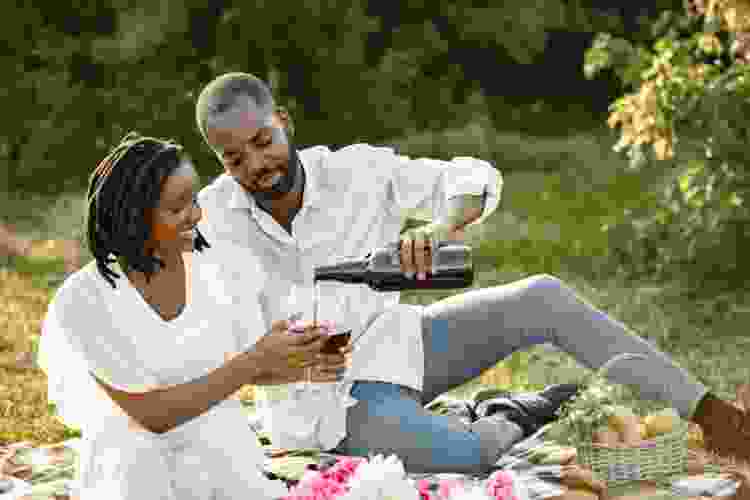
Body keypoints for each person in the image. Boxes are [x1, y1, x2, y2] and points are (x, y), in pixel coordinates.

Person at [194, 72, 750, 474]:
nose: (256, 165)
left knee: (541, 296)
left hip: (399, 345)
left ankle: (717, 415)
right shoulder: (212, 220)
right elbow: (199, 353)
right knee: (472, 454)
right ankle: (511, 410)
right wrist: (273, 365)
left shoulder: (353, 172)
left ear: (284, 123)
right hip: (326, 406)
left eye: (263, 141)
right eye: (234, 158)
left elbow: (471, 180)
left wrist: (437, 231)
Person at [37, 132, 351, 500]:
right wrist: (256, 359)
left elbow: (235, 365)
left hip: (219, 453)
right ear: (133, 217)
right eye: (177, 208)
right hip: (134, 466)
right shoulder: (83, 300)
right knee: (135, 449)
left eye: (195, 200)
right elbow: (151, 415)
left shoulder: (219, 268)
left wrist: (301, 365)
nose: (197, 215)